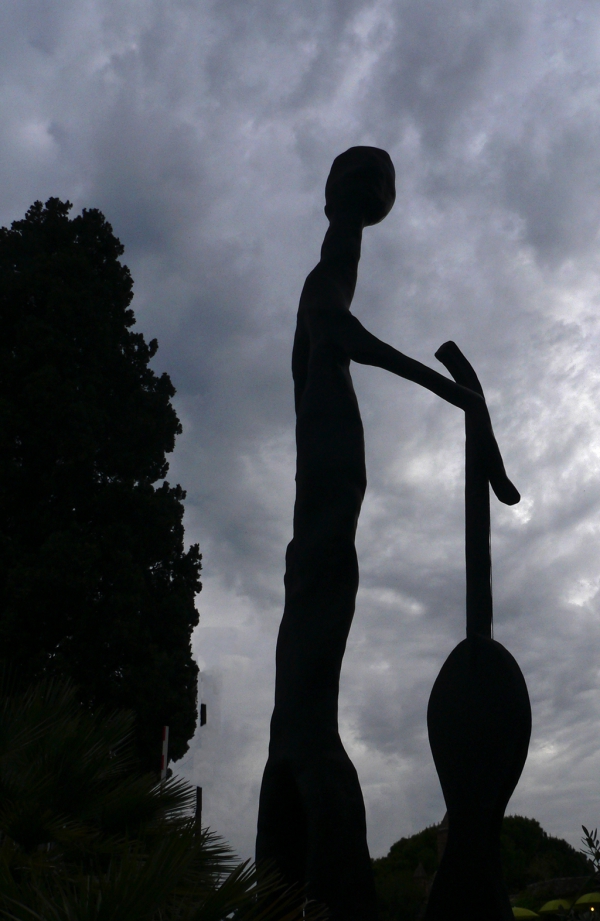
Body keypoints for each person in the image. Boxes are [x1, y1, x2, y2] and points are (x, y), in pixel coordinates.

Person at [255, 146, 518, 921]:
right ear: (335, 193)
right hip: (326, 507)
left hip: (331, 507)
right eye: (367, 182)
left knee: (322, 602)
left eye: (387, 185)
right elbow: (340, 326)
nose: (380, 193)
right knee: (318, 613)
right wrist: (446, 388)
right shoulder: (321, 283)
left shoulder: (332, 276)